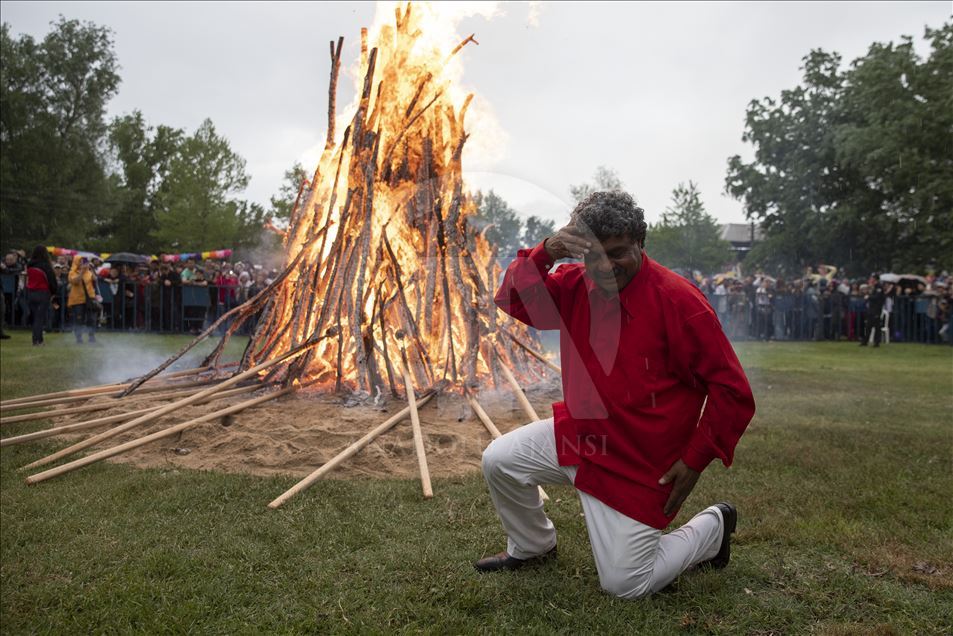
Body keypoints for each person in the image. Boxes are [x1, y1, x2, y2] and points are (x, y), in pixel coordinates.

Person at [477, 191, 756, 599]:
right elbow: (513, 298)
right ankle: (533, 547)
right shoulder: (574, 286)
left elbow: (732, 391)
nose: (605, 266)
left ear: (640, 243)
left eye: (618, 253)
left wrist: (694, 459)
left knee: (626, 584)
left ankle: (712, 528)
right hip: (582, 437)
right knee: (499, 460)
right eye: (593, 255)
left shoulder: (679, 301)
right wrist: (547, 250)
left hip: (640, 462)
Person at [25, 246, 58, 346]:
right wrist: (53, 292)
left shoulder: (29, 265)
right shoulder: (45, 266)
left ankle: (37, 340)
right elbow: (52, 281)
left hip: (31, 292)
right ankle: (37, 341)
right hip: (43, 293)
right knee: (40, 318)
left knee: (35, 317)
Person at [67, 255, 100, 344]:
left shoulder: (89, 271)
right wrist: (81, 272)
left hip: (90, 299)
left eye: (84, 261)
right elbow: (75, 281)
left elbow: (95, 279)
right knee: (79, 320)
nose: (83, 263)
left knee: (91, 319)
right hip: (77, 300)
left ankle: (91, 337)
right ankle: (79, 338)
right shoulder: (72, 272)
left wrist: (91, 269)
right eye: (81, 261)